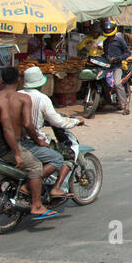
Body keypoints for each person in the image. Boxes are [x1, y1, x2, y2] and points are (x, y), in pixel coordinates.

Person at [0, 63, 53, 219]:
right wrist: (17, 154)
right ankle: (37, 205)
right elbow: (8, 130)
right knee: (35, 166)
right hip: (2, 151)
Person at [19, 65, 85, 198]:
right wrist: (76, 121)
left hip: (17, 139)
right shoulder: (42, 99)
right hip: (32, 141)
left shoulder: (17, 94)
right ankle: (56, 187)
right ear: (40, 83)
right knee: (67, 155)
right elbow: (58, 122)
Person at [101, 18, 132, 115]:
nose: (108, 31)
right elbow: (105, 53)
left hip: (117, 66)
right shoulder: (105, 42)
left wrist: (118, 58)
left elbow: (127, 52)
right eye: (107, 30)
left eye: (110, 29)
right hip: (107, 66)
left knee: (117, 84)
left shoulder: (119, 40)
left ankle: (125, 106)